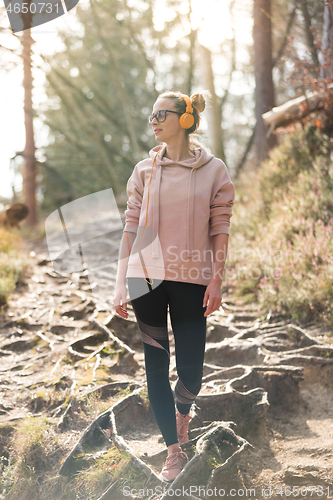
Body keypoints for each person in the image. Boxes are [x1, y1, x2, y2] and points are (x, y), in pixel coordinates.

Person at [113, 91, 235, 482]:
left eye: (160, 114)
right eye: (150, 115)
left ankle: (183, 414)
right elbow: (130, 230)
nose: (153, 120)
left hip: (192, 279)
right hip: (145, 278)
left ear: (184, 119)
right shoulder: (143, 170)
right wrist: (120, 284)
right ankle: (173, 449)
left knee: (192, 370)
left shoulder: (214, 170)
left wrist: (216, 277)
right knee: (155, 366)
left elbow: (220, 229)